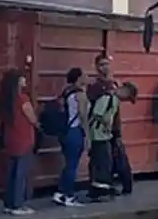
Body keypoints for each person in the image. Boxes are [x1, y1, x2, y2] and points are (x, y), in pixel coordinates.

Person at [87, 53, 134, 195]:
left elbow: (116, 110)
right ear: (96, 67)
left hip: (113, 128)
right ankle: (100, 187)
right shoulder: (95, 87)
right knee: (100, 159)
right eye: (102, 64)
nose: (105, 67)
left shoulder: (114, 84)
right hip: (100, 130)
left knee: (116, 158)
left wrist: (117, 130)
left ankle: (119, 185)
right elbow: (94, 111)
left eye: (107, 64)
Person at [0, 70, 39, 215]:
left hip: (10, 138)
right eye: (22, 78)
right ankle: (18, 204)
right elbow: (32, 118)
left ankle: (9, 203)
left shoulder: (5, 99)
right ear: (17, 82)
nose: (25, 80)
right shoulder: (23, 98)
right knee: (21, 173)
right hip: (24, 138)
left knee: (11, 172)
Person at [54, 67, 89, 207]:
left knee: (69, 164)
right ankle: (69, 196)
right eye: (84, 75)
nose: (87, 77)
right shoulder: (80, 94)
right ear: (79, 78)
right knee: (73, 165)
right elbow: (82, 115)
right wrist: (87, 135)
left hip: (64, 131)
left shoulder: (66, 92)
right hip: (75, 131)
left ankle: (60, 192)